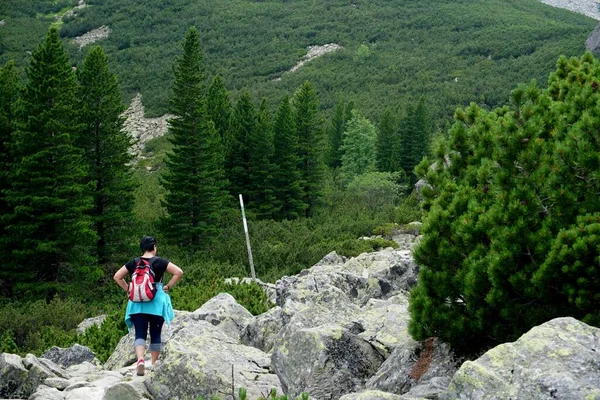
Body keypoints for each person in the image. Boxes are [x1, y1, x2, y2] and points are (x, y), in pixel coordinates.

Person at [113, 236, 183, 376]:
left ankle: (140, 360)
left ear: (142, 248)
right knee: (155, 334)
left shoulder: (134, 262)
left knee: (140, 333)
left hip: (137, 304)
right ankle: (154, 364)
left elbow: (117, 276)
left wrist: (128, 289)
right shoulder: (160, 262)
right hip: (156, 303)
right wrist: (168, 286)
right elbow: (178, 272)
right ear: (154, 247)